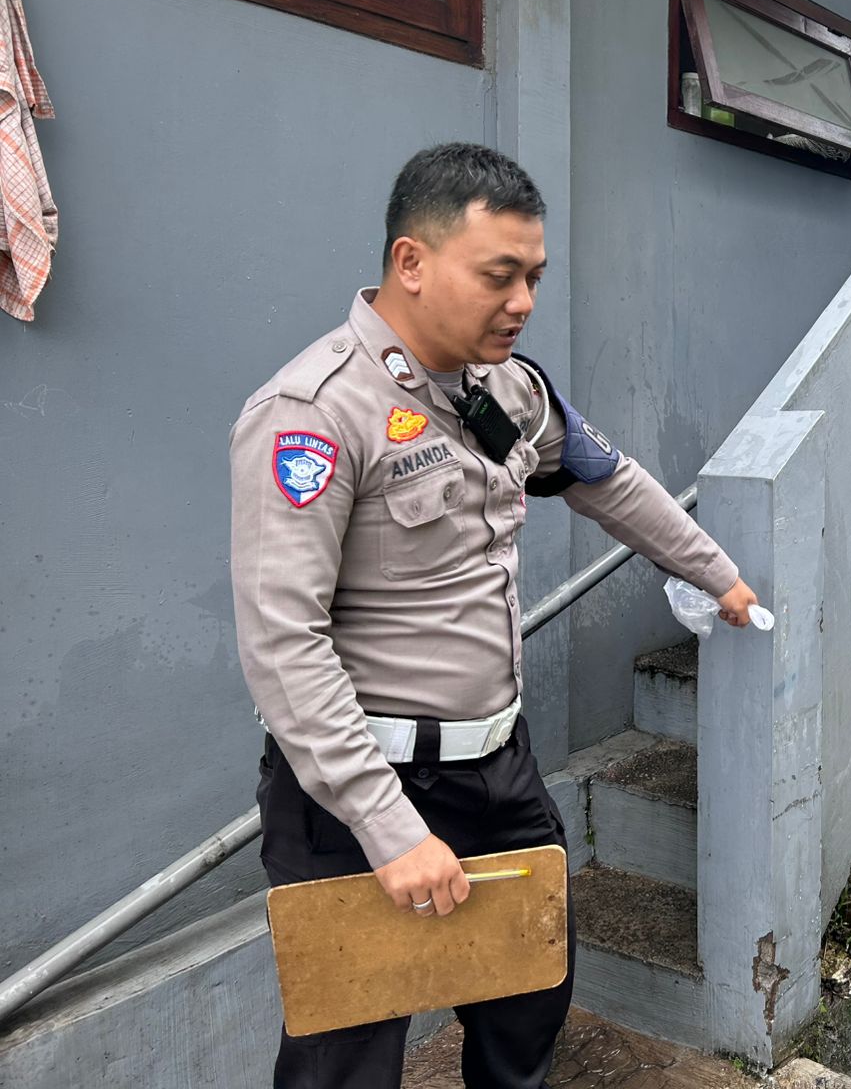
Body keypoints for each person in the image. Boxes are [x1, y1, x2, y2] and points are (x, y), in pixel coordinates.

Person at [230, 143, 760, 1089]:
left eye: (534, 278)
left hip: (499, 773)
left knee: (526, 1009)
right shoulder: (312, 415)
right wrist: (390, 829)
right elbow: (284, 648)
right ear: (411, 262)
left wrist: (717, 574)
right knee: (346, 1061)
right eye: (499, 275)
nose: (522, 301)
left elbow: (608, 481)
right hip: (356, 796)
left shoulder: (506, 390)